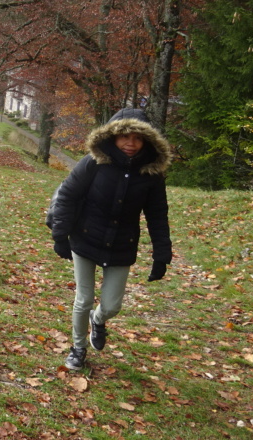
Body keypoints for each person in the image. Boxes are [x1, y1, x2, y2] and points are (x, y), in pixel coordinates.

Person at [50, 108, 172, 370]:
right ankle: (78, 348)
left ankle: (99, 319)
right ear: (112, 136)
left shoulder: (152, 174)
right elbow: (67, 196)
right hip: (85, 238)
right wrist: (60, 235)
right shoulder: (93, 162)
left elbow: (157, 215)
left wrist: (162, 254)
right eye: (124, 136)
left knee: (112, 305)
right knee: (83, 299)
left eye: (138, 138)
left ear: (147, 141)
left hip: (121, 245)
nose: (131, 143)